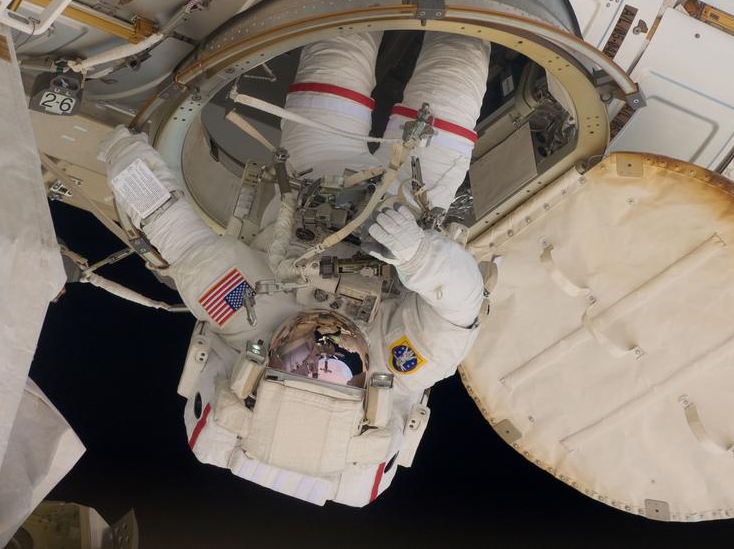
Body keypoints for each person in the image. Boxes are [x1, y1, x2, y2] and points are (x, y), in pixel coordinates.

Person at [99, 31, 490, 506]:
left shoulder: (244, 312)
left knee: (343, 41)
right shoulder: (404, 360)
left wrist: (120, 155)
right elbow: (462, 303)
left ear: (264, 364)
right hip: (417, 194)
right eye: (336, 369)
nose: (324, 346)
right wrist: (419, 255)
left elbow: (171, 226)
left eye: (303, 364)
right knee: (460, 59)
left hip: (317, 170)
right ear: (368, 393)